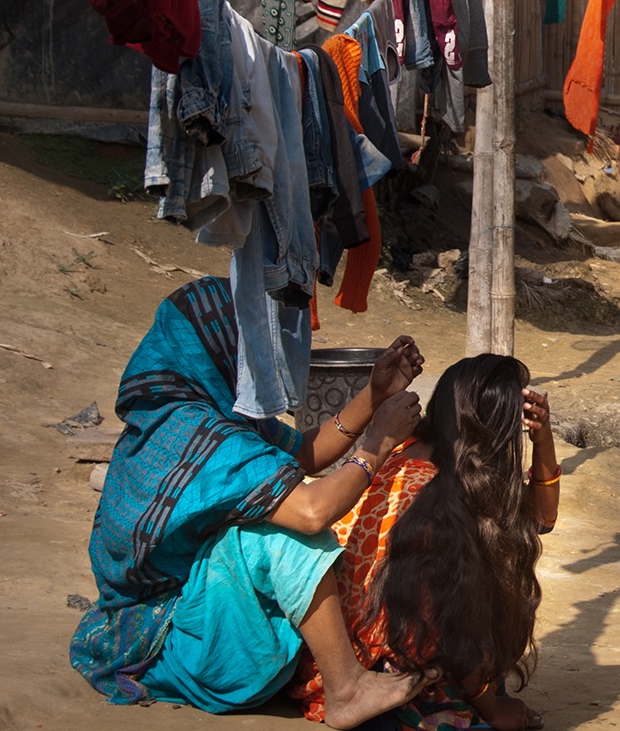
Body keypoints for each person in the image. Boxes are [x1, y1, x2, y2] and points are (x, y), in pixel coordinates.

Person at [70, 277, 430, 728]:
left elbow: (299, 452)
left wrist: (373, 396)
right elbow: (311, 510)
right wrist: (377, 443)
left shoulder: (191, 413)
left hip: (200, 629)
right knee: (280, 538)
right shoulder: (193, 432)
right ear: (221, 341)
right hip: (181, 645)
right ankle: (346, 688)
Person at [290, 353, 557, 730]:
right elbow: (450, 626)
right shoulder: (449, 499)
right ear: (497, 430)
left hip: (328, 661)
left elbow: (542, 519)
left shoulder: (407, 450)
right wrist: (493, 710)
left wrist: (543, 439)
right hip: (386, 669)